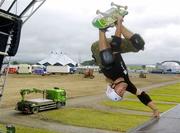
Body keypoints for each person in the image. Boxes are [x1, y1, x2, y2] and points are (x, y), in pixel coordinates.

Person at [91, 16, 160, 118]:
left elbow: (116, 44)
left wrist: (104, 29)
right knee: (138, 44)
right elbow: (141, 95)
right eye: (122, 93)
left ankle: (102, 29)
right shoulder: (127, 85)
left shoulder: (110, 72)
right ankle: (115, 22)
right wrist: (155, 109)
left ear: (114, 86)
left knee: (107, 59)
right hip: (112, 49)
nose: (123, 90)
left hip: (98, 49)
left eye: (119, 91)